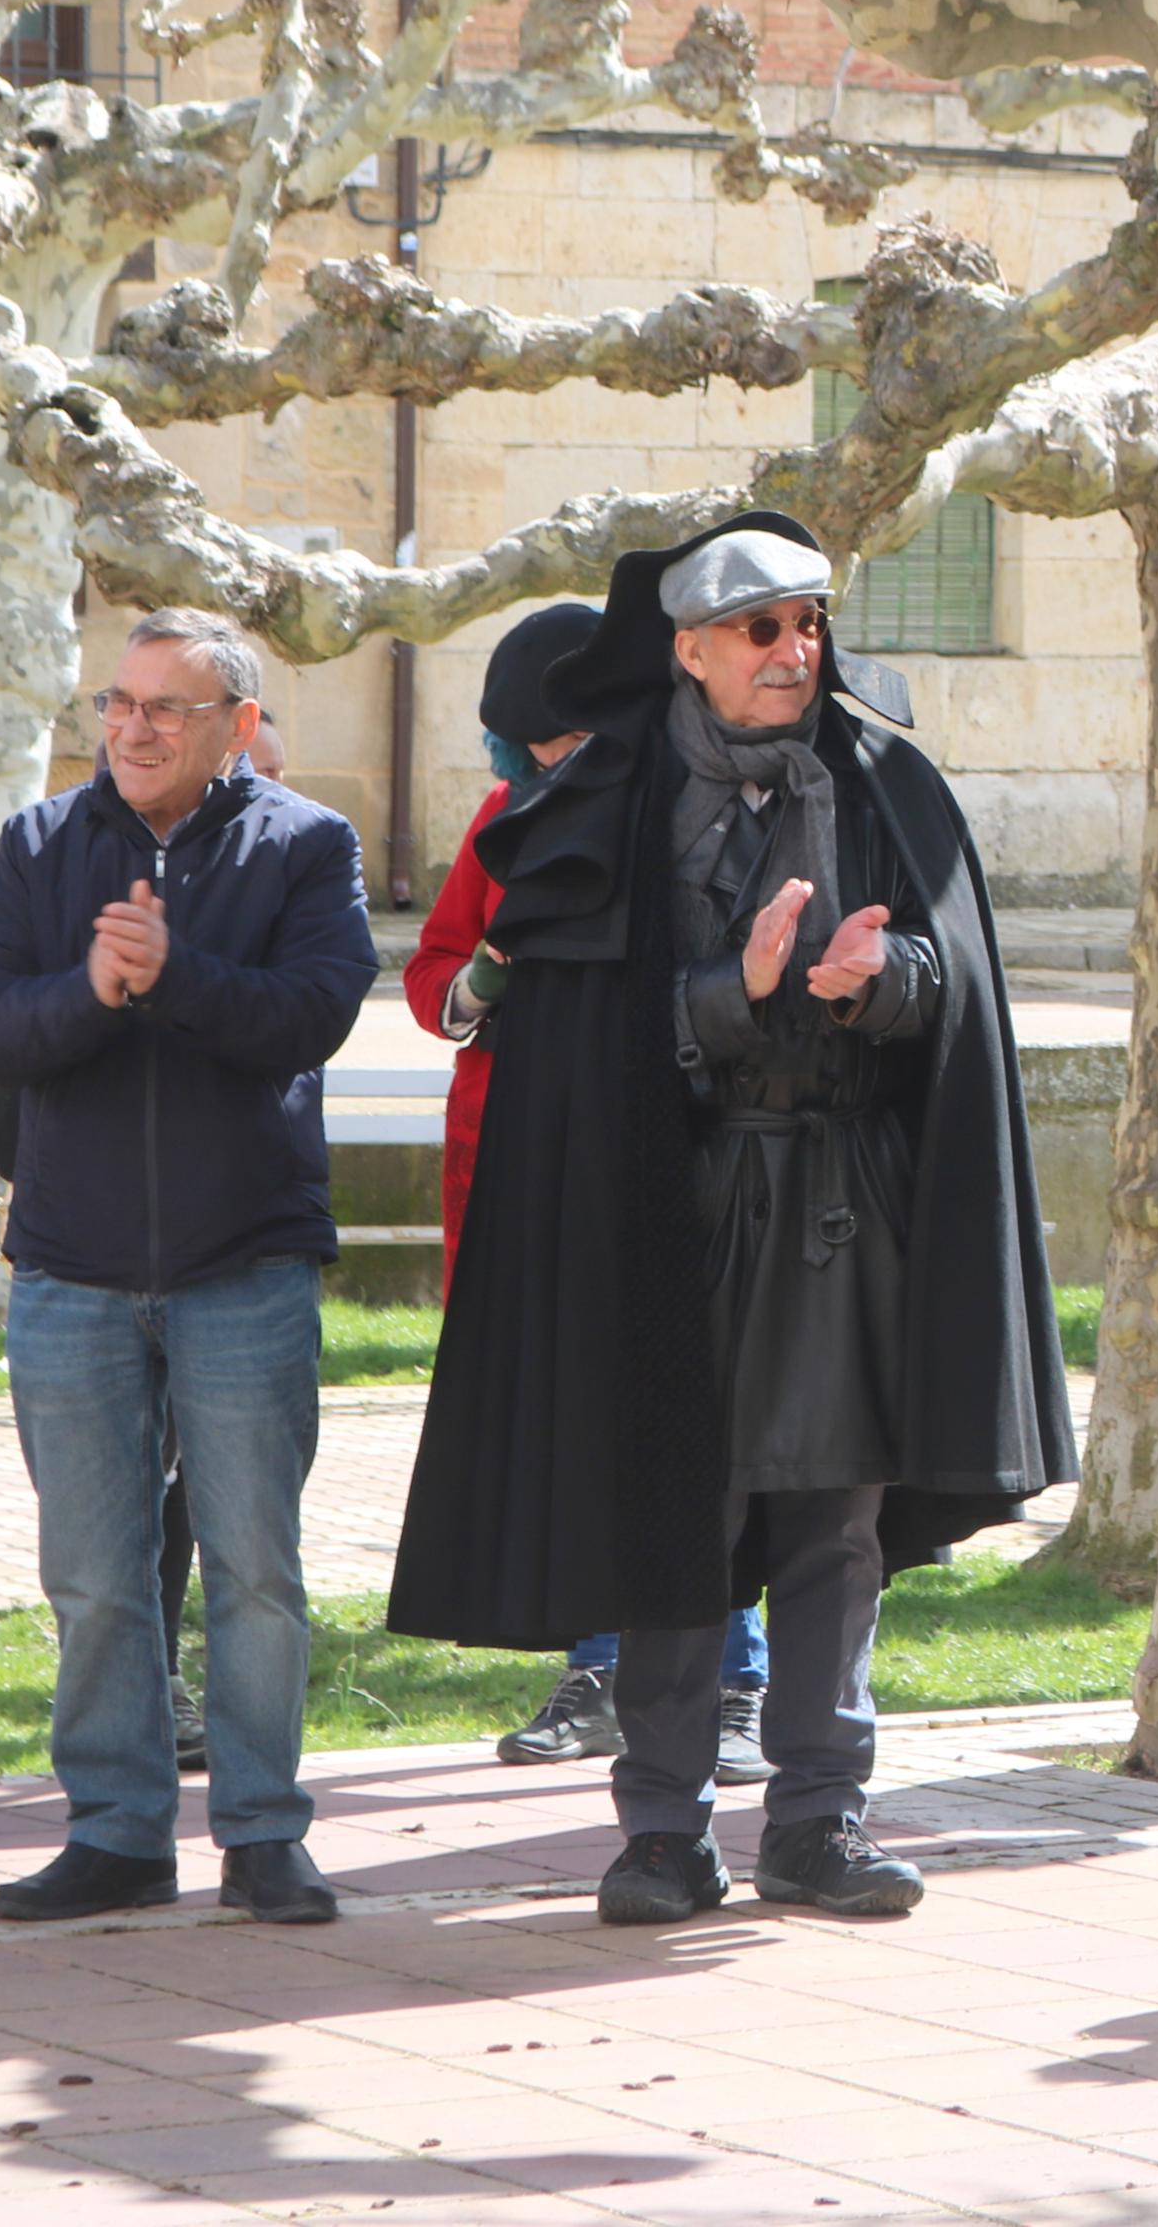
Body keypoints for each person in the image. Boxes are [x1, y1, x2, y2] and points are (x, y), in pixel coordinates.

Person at [386, 515, 1078, 1925]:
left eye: (809, 622)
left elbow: (956, 986)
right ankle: (662, 1827)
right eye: (760, 627)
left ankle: (822, 1816)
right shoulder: (607, 804)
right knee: (673, 1518)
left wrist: (876, 981)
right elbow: (572, 1021)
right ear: (688, 648)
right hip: (665, 1205)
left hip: (842, 1205)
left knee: (835, 1518)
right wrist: (728, 986)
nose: (793, 649)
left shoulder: (888, 781)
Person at [0, 608, 381, 1926]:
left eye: (165, 709)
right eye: (116, 704)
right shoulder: (40, 841)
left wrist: (174, 976)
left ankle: (261, 1834)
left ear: (238, 726)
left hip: (241, 1259)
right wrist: (92, 988)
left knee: (254, 1565)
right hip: (68, 1265)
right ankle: (120, 1830)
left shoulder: (307, 845)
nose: (130, 728)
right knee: (94, 1567)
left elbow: (313, 1014)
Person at [404, 603, 776, 1784]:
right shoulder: (504, 823)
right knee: (583, 1418)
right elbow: (435, 979)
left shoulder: (697, 812)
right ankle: (600, 1664)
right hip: (530, 1162)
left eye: (570, 745)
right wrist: (495, 981)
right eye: (541, 754)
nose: (559, 769)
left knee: (708, 1420)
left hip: (679, 1155)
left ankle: (737, 1678)